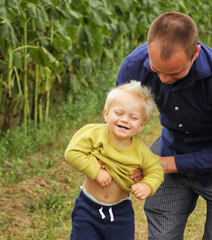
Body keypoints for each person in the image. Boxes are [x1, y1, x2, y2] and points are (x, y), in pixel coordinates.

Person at [116, 12, 212, 240]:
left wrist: (163, 164)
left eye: (174, 73)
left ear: (196, 53)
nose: (162, 79)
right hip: (173, 146)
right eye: (156, 69)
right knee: (162, 235)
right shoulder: (134, 67)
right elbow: (118, 122)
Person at [64, 80, 164, 240]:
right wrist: (96, 171)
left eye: (133, 117)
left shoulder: (140, 151)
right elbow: (72, 152)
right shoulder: (94, 134)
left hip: (120, 213)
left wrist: (147, 185)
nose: (124, 120)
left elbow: (156, 170)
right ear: (106, 114)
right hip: (88, 208)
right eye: (118, 113)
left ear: (141, 125)